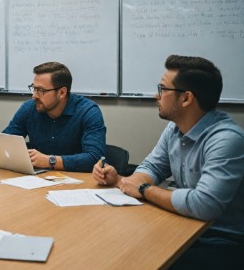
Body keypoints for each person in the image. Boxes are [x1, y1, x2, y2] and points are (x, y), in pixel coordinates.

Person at [93, 55, 244, 268]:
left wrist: (144, 189)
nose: (157, 95)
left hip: (222, 242)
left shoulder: (226, 139)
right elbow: (152, 167)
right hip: (184, 225)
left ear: (186, 98)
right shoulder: (175, 128)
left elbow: (204, 205)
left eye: (163, 89)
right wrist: (127, 181)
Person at [3, 62, 106, 172]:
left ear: (62, 92)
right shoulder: (29, 108)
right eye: (34, 88)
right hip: (37, 180)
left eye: (41, 90)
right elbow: (3, 143)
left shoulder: (88, 112)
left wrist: (50, 161)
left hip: (77, 182)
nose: (34, 96)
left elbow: (94, 159)